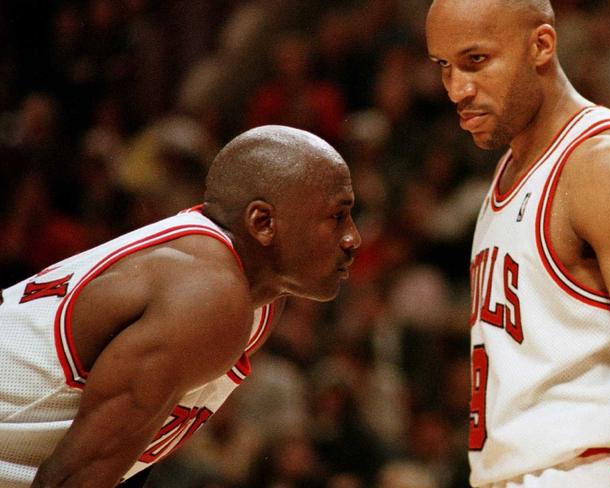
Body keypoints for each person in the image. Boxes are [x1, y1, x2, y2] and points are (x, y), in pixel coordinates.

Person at [0, 125, 361, 487]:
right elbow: (70, 480)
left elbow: (126, 458)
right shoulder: (207, 296)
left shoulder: (255, 295)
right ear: (262, 223)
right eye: (337, 216)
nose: (353, 238)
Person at [424, 1, 610, 487]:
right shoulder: (508, 172)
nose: (457, 89)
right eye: (444, 67)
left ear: (541, 45)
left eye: (475, 61)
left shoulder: (604, 163)